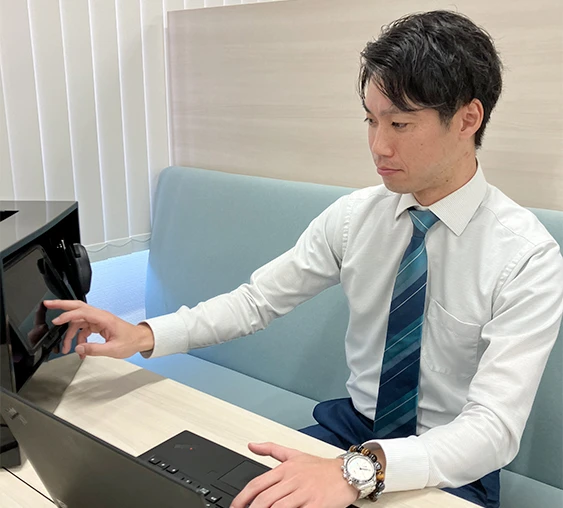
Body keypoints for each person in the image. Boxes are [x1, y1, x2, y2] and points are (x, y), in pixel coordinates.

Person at [45, 10, 563, 508]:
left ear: (468, 119)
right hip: (353, 428)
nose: (378, 146)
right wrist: (145, 334)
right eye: (371, 120)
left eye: (401, 124)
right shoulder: (355, 217)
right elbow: (256, 302)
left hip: (451, 461)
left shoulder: (526, 258)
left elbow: (492, 429)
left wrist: (358, 471)